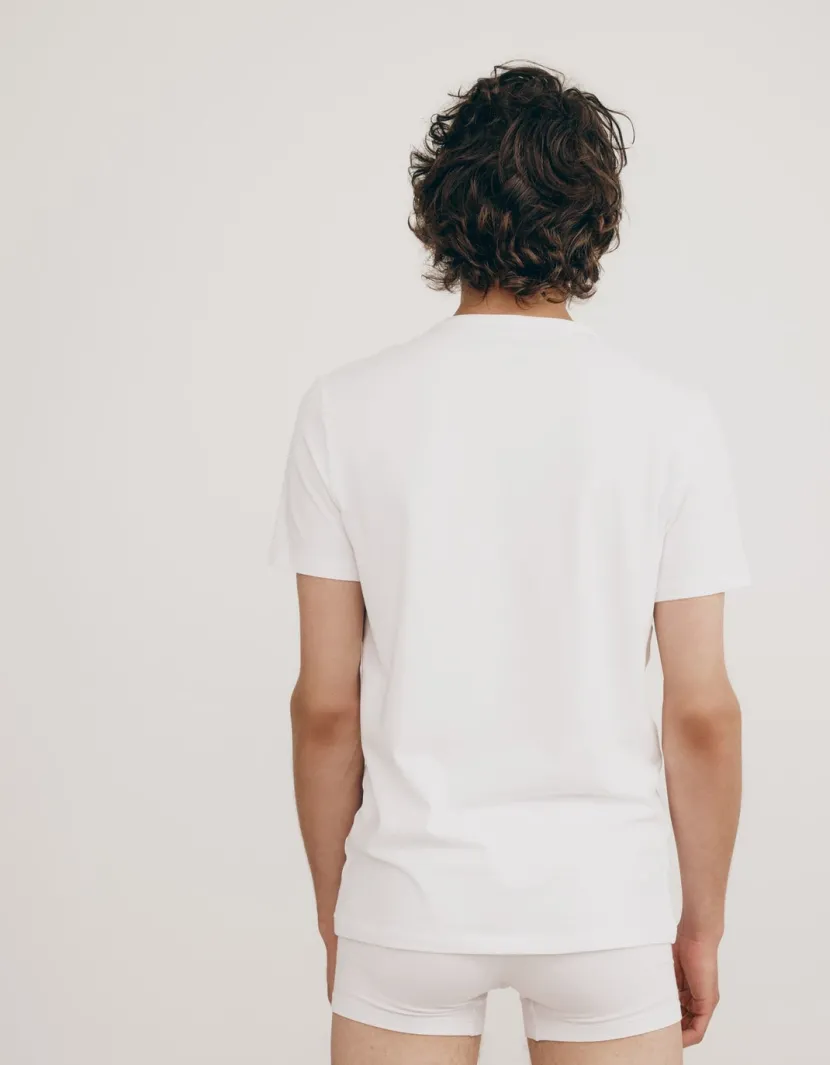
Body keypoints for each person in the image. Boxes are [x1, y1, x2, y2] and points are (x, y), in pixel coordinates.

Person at [270, 62, 749, 1065]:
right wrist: (699, 924)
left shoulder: (343, 410)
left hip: (410, 896)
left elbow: (325, 706)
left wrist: (340, 909)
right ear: (595, 223)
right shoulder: (671, 420)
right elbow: (701, 711)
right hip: (603, 905)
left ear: (440, 212)